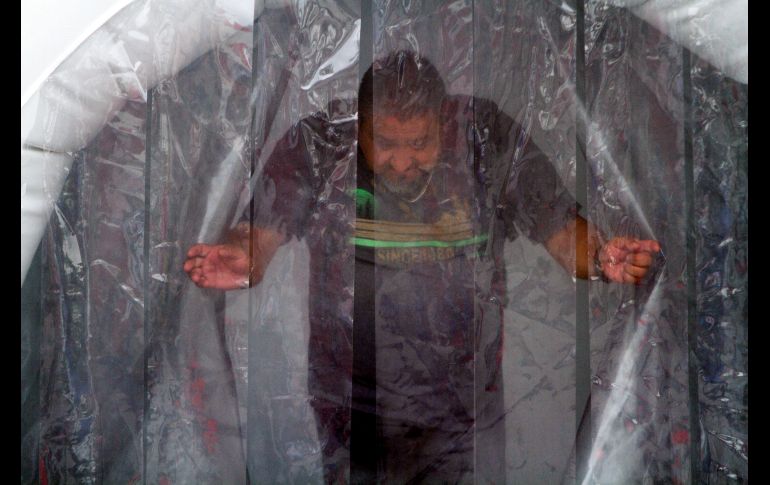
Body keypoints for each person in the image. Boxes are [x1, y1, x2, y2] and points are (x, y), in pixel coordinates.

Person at [184, 50, 660, 483]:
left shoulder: (484, 135)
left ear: (442, 119)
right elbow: (263, 230)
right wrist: (242, 256)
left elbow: (556, 224)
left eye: (419, 143)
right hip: (349, 400)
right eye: (385, 142)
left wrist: (598, 256)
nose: (402, 161)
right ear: (361, 124)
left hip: (464, 400)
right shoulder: (324, 142)